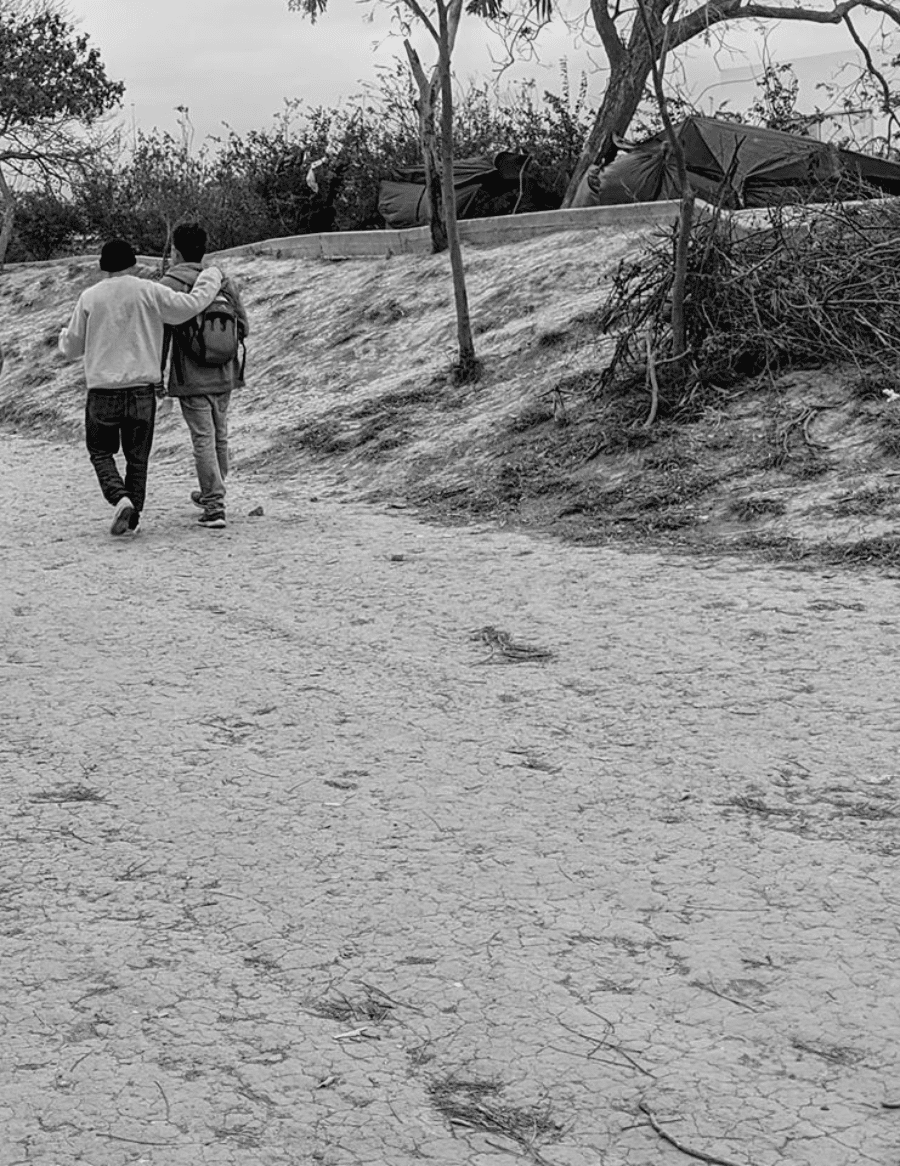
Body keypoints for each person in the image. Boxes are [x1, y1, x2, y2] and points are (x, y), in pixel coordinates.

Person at [58, 238, 224, 536]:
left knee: (100, 451)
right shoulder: (149, 290)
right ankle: (132, 514)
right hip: (142, 390)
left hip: (103, 390)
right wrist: (211, 276)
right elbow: (190, 306)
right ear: (134, 263)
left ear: (102, 266)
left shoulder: (90, 297)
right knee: (138, 458)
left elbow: (71, 347)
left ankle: (119, 498)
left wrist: (62, 335)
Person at [160, 222, 249, 530]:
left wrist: (159, 376)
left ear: (175, 250)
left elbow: (163, 336)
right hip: (225, 371)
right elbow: (244, 327)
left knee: (202, 438)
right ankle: (213, 489)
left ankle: (214, 505)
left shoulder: (170, 283)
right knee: (219, 433)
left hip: (191, 375)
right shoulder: (221, 280)